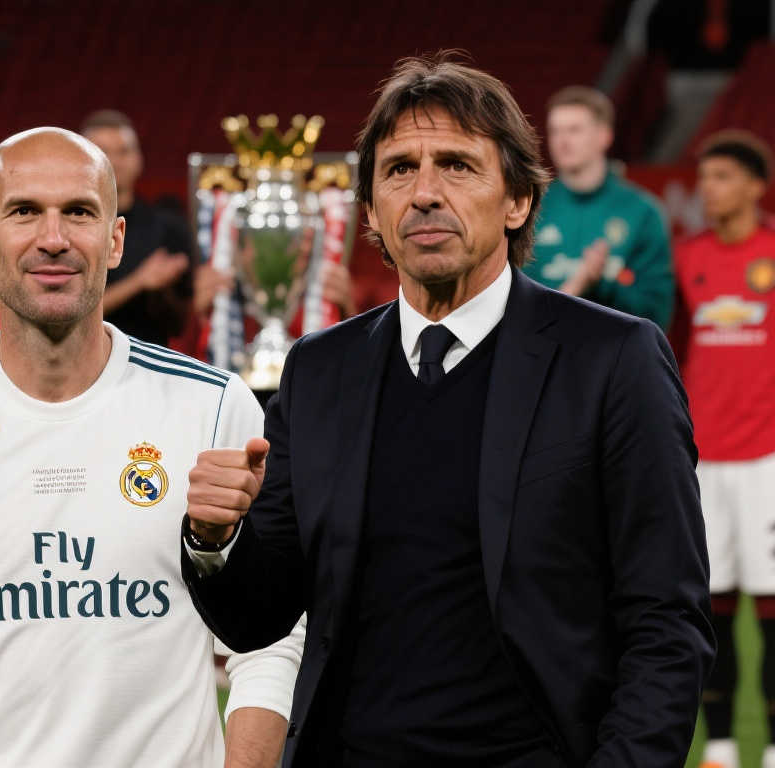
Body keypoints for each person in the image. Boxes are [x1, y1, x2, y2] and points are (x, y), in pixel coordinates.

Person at [181, 55, 713, 767]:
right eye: (399, 170)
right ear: (371, 210)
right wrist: (215, 540)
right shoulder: (319, 370)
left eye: (458, 166)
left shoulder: (613, 359)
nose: (425, 193)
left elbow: (666, 621)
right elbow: (259, 617)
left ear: (517, 200)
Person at [0, 127, 302, 768]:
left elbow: (272, 637)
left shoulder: (211, 405)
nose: (52, 238)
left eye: (78, 212)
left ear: (116, 239)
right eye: (23, 211)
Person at [671, 130, 775, 768]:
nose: (708, 190)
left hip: (769, 458)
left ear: (755, 186)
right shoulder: (688, 258)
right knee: (709, 602)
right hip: (705, 459)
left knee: (771, 604)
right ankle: (721, 745)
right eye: (704, 178)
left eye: (723, 177)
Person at [523, 86, 674, 329]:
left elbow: (657, 313)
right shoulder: (530, 207)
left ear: (604, 136)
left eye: (574, 130)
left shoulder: (642, 212)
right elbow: (516, 304)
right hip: (543, 348)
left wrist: (603, 284)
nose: (562, 141)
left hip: (614, 348)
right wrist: (578, 285)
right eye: (555, 131)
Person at [81, 109, 192, 346]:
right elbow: (70, 312)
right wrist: (139, 281)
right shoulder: (65, 228)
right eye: (103, 151)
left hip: (151, 358)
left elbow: (183, 321)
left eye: (124, 151)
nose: (115, 161)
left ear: (139, 159)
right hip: (83, 357)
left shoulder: (168, 228)